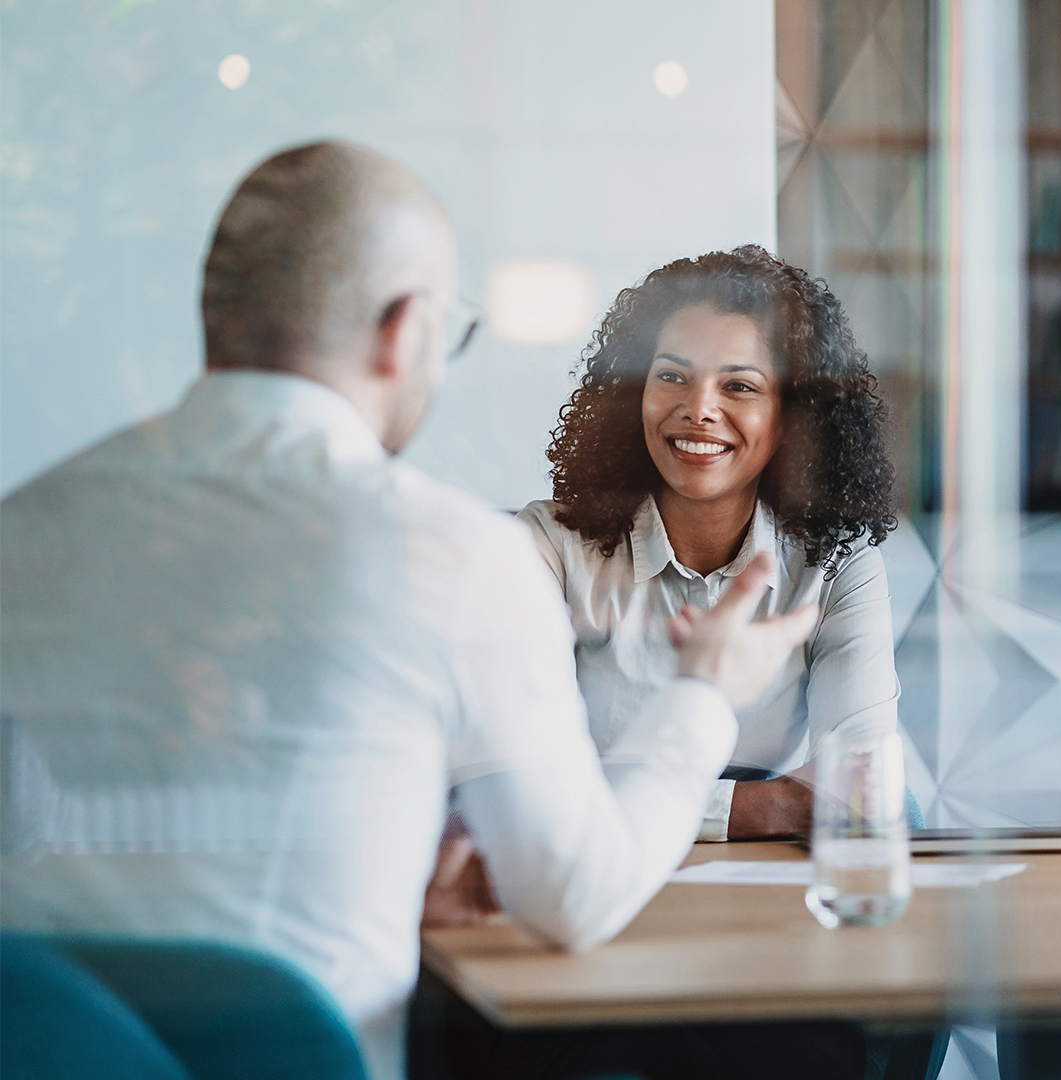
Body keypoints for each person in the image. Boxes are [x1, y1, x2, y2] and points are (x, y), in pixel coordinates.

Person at [0, 142, 825, 1080]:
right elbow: (576, 895)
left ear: (215, 318)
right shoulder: (452, 555)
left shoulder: (18, 530)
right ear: (403, 331)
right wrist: (704, 695)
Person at [519, 245, 899, 841]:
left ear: (792, 418)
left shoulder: (838, 562)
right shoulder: (547, 545)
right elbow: (529, 785)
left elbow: (861, 785)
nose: (698, 410)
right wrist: (772, 807)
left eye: (740, 387)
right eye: (671, 376)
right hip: (586, 863)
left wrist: (625, 795)